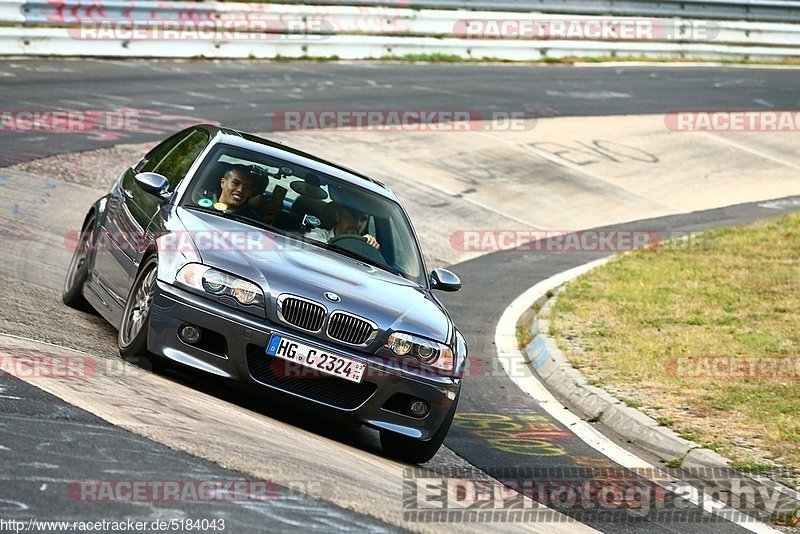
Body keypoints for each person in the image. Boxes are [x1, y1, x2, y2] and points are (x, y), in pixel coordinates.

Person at [214, 165, 280, 223]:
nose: (240, 190)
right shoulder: (205, 203)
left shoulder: (251, 220)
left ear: (250, 193)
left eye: (246, 187)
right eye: (235, 183)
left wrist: (266, 221)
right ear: (223, 183)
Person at [307, 202, 380, 249]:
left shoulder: (364, 245)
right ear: (338, 216)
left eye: (363, 219)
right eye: (352, 217)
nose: (358, 224)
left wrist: (368, 247)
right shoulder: (319, 235)